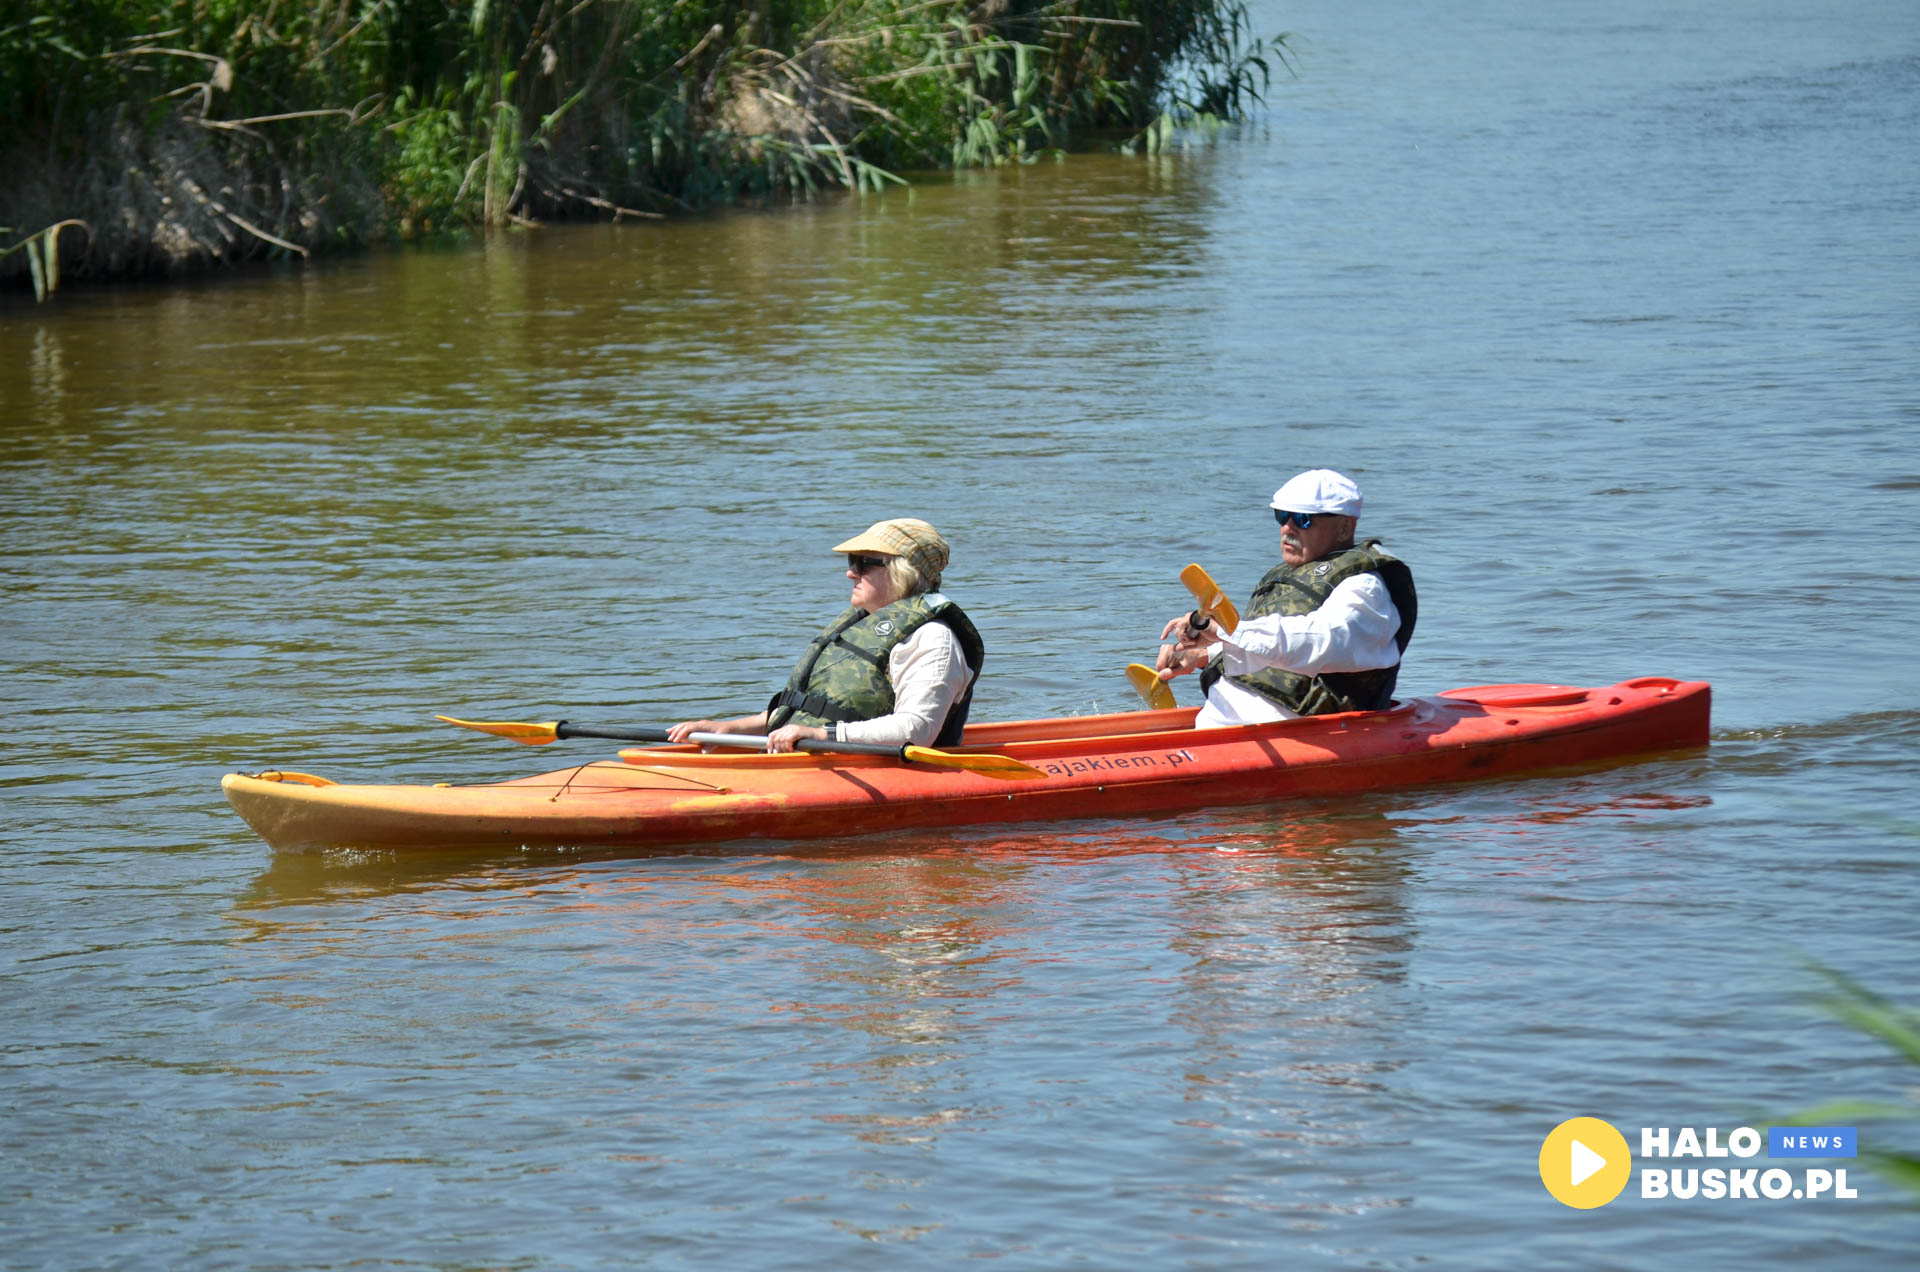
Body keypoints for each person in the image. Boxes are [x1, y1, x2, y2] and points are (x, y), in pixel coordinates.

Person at [668, 518, 984, 753]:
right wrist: (726, 729)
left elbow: (917, 730)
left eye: (863, 563)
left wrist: (823, 736)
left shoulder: (932, 639)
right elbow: (813, 713)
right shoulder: (862, 625)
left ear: (901, 571)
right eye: (851, 562)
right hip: (819, 759)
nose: (850, 573)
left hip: (876, 770)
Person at [1157, 469, 1416, 727]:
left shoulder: (1364, 588)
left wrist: (1229, 631)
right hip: (1220, 723)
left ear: (1344, 527)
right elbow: (1273, 651)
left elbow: (1321, 641)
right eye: (1282, 516)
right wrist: (1206, 653)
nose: (1287, 528)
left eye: (1302, 519)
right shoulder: (1291, 574)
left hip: (1298, 735)